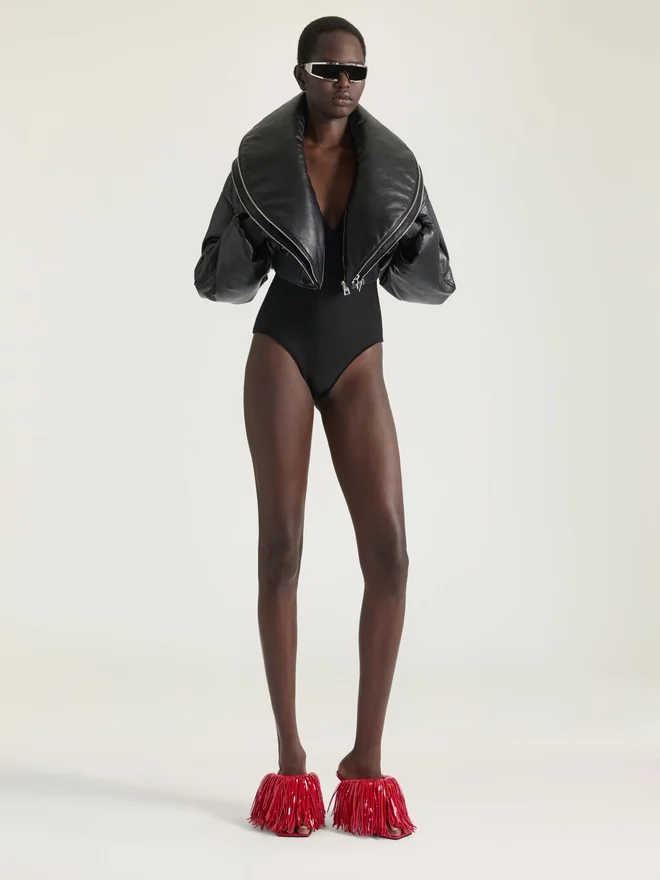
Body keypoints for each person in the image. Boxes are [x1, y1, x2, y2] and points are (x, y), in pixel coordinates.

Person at [193, 16, 456, 840]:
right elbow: (214, 279)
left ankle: (365, 763)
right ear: (301, 73)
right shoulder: (260, 158)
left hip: (359, 357)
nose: (345, 82)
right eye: (329, 68)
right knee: (282, 550)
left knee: (392, 555)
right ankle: (291, 759)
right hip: (281, 346)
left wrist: (411, 238)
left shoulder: (395, 166)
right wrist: (248, 238)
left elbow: (434, 283)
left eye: (357, 71)